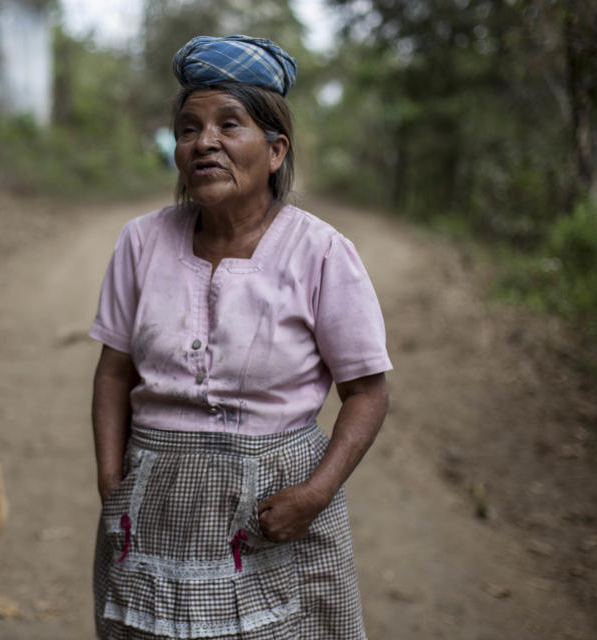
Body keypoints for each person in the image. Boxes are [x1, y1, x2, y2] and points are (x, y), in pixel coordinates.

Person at [89, 34, 392, 640]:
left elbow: (367, 392)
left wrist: (314, 494)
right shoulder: (141, 243)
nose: (205, 142)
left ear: (276, 151)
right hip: (153, 504)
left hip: (278, 508)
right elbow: (114, 372)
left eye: (230, 125)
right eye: (188, 129)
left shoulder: (322, 253)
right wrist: (111, 482)